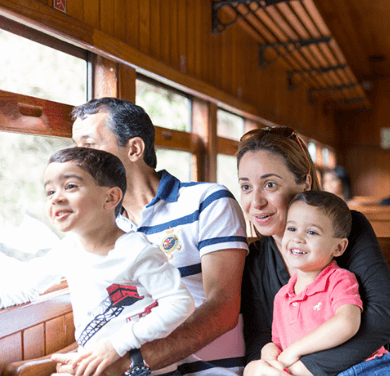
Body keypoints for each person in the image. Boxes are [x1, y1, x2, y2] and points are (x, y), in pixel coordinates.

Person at [53, 98, 249, 376]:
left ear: (134, 149)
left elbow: (224, 307)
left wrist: (129, 363)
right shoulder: (102, 227)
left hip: (206, 370)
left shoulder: (207, 201)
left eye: (89, 145)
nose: (75, 158)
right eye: (74, 147)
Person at [0, 147, 195, 376]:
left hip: (147, 370)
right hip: (95, 364)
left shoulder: (137, 251)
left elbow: (180, 303)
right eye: (50, 191)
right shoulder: (68, 248)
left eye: (70, 186)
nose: (57, 198)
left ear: (110, 198)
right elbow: (27, 287)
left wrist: (116, 345)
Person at [237, 126, 390, 376]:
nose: (256, 202)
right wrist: (258, 367)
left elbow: (382, 318)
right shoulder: (254, 259)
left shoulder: (349, 228)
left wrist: (298, 370)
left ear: (305, 182)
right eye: (246, 187)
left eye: (270, 184)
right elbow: (261, 336)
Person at [262, 190, 388, 374]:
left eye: (312, 232)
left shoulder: (339, 279)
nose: (297, 238)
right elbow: (278, 343)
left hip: (365, 367)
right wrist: (268, 355)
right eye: (291, 228)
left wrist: (294, 351)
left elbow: (347, 322)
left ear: (338, 247)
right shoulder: (282, 296)